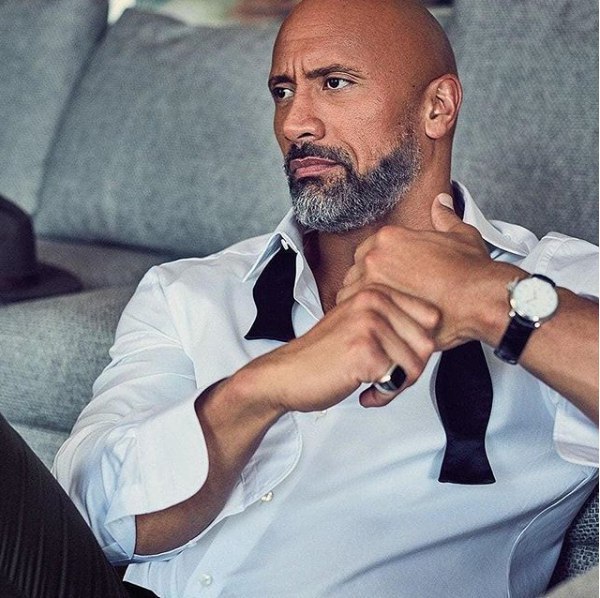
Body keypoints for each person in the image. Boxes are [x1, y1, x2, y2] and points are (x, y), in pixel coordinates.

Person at [1, 0, 597, 596]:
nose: (294, 124)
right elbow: (85, 519)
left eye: (334, 83)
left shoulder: (558, 282)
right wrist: (262, 389)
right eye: (282, 92)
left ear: (437, 107)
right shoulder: (189, 290)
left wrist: (486, 296)